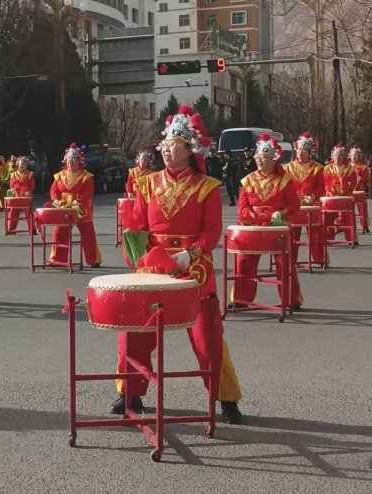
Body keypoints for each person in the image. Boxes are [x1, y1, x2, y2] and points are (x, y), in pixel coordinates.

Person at [115, 105, 243, 424]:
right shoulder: (147, 184)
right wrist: (134, 245)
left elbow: (211, 231)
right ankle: (129, 391)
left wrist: (191, 253)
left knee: (207, 337)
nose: (166, 150)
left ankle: (225, 396)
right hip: (154, 265)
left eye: (174, 145)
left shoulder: (207, 187)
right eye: (165, 144)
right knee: (137, 330)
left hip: (193, 266)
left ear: (189, 150)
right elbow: (138, 225)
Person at [231, 134, 302, 310]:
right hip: (253, 228)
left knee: (284, 263)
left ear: (273, 159)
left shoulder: (284, 180)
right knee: (243, 261)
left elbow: (294, 206)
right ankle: (241, 299)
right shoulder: (248, 180)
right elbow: (242, 211)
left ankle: (290, 300)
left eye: (263, 157)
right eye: (258, 157)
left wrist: (280, 214)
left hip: (276, 229)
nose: (259, 160)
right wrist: (263, 217)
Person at [48, 143, 102, 268]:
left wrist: (78, 201)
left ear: (79, 161)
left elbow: (88, 192)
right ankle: (58, 259)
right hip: (63, 207)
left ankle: (93, 259)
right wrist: (56, 200)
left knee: (88, 234)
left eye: (73, 159)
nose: (70, 161)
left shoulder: (86, 176)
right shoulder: (59, 175)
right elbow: (54, 190)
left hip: (81, 208)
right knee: (59, 232)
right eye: (69, 158)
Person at [284, 132, 326, 266]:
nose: (301, 152)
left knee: (315, 233)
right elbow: (283, 187)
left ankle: (319, 258)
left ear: (309, 152)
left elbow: (321, 188)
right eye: (299, 149)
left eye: (304, 150)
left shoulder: (317, 168)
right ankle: (290, 260)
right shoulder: (287, 168)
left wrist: (312, 196)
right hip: (293, 205)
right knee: (292, 233)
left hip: (310, 204)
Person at [323, 143, 358, 243]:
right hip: (331, 197)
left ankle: (351, 238)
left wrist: (345, 190)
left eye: (340, 155)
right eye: (335, 155)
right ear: (332, 157)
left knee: (348, 217)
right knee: (328, 217)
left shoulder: (350, 169)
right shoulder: (327, 168)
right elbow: (325, 182)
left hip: (345, 197)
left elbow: (353, 182)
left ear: (344, 157)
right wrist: (330, 191)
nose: (337, 158)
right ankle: (328, 237)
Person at [7, 155, 35, 233]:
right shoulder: (13, 174)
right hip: (16, 196)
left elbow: (32, 185)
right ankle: (11, 228)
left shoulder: (30, 174)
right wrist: (12, 191)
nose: (21, 165)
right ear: (18, 165)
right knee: (13, 211)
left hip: (26, 196)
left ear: (26, 165)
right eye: (20, 164)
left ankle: (32, 228)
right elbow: (11, 185)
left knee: (28, 212)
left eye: (23, 164)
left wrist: (29, 191)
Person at [349, 145, 369, 233]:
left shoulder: (363, 167)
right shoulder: (347, 166)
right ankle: (348, 224)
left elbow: (365, 179)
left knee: (362, 207)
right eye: (352, 155)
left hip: (359, 189)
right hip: (350, 189)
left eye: (356, 155)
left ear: (359, 156)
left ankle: (365, 224)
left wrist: (359, 178)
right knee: (348, 207)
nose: (354, 157)